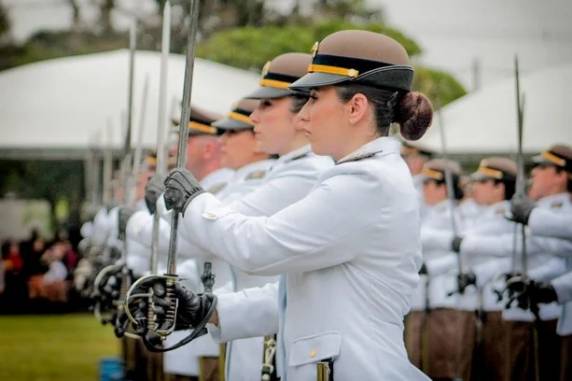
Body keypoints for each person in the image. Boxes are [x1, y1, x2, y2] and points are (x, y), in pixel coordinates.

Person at [154, 30, 434, 380]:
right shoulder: (361, 177)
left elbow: (258, 246)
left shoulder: (368, 182)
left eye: (314, 98)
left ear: (356, 106)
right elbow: (299, 295)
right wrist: (210, 310)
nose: (303, 117)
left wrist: (195, 203)